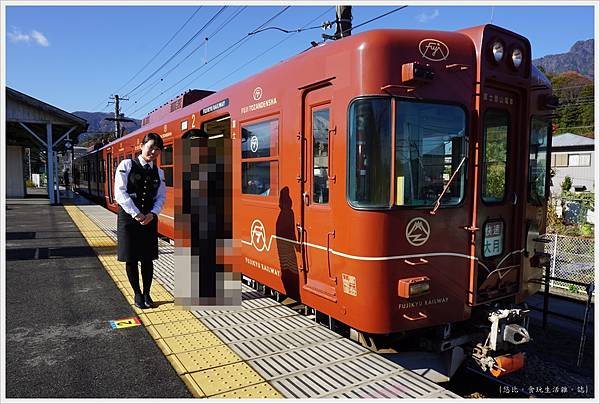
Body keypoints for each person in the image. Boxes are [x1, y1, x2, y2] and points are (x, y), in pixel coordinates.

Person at [114, 133, 166, 309]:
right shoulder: (127, 165)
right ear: (142, 145)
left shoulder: (159, 172)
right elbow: (120, 193)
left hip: (149, 218)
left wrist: (153, 213)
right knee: (131, 257)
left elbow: (161, 197)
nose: (153, 151)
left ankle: (147, 293)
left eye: (157, 149)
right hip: (129, 219)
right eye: (151, 146)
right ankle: (137, 294)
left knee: (147, 258)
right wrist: (136, 214)